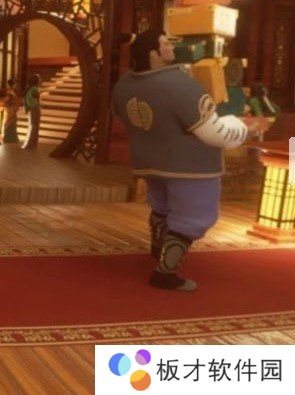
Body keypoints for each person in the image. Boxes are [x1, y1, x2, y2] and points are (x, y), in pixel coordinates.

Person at [112, 29, 261, 292]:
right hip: (189, 164)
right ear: (153, 54)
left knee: (162, 206)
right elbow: (215, 133)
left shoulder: (125, 83)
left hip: (149, 158)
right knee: (193, 217)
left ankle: (159, 247)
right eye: (165, 44)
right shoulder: (178, 85)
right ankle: (165, 272)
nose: (172, 48)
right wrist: (243, 127)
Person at [22, 74, 42, 149]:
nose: (40, 80)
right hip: (35, 108)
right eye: (39, 79)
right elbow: (37, 100)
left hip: (30, 109)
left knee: (32, 126)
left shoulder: (29, 89)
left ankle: (29, 143)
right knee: (35, 127)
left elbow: (26, 100)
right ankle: (32, 144)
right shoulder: (35, 89)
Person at [2, 78, 20, 144]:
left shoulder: (10, 92)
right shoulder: (11, 92)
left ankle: (9, 138)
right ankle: (10, 138)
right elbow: (7, 100)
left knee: (10, 122)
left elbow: (7, 100)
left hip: (11, 108)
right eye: (15, 84)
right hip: (11, 109)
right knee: (10, 122)